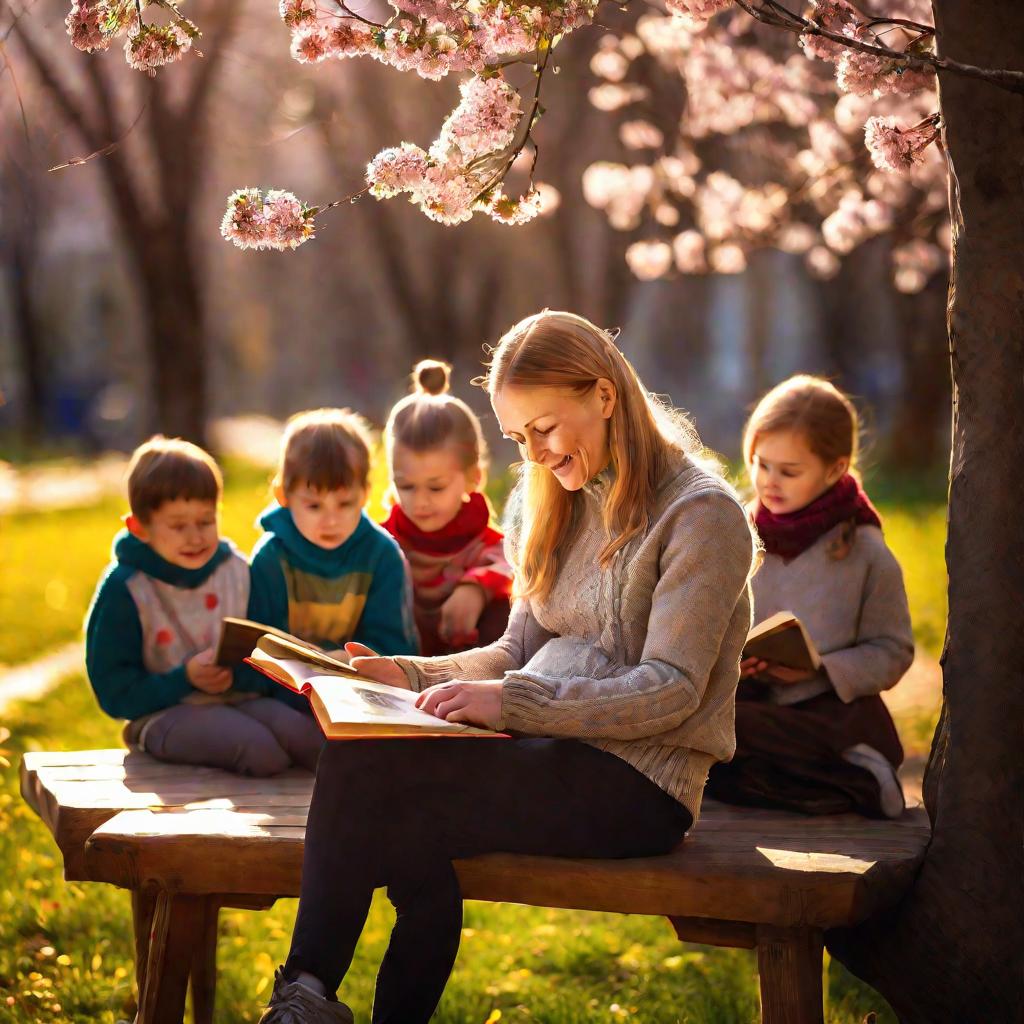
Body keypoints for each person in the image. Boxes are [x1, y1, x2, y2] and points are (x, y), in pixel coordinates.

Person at [258, 311, 758, 1024]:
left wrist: (512, 705)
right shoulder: (544, 498)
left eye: (545, 428)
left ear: (605, 396)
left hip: (639, 785)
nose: (538, 453)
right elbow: (512, 653)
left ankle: (303, 1001)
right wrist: (406, 675)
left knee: (386, 801)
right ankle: (309, 998)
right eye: (520, 438)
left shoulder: (699, 517)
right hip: (541, 749)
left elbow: (672, 691)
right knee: (384, 794)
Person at [706, 375, 914, 819]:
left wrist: (820, 667)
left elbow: (894, 650)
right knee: (709, 721)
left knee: (734, 734)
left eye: (789, 471)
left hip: (828, 712)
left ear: (835, 469)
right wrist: (734, 662)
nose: (769, 482)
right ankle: (830, 784)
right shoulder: (737, 536)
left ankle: (857, 771)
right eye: (762, 465)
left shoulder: (865, 552)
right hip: (750, 701)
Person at [84, 436, 321, 776]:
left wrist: (233, 677)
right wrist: (186, 679)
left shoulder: (237, 572)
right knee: (260, 751)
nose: (195, 537)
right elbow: (115, 693)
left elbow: (267, 655)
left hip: (241, 699)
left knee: (309, 739)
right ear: (139, 528)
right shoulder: (126, 589)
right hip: (163, 713)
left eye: (206, 522)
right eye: (178, 526)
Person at [246, 408, 419, 713]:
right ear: (283, 494)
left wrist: (342, 662)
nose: (331, 519)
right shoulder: (271, 558)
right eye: (314, 505)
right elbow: (259, 652)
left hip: (365, 695)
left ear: (364, 494)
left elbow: (395, 649)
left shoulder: (382, 555)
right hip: (288, 698)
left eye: (344, 503)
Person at [380, 358, 512, 657]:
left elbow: (519, 567)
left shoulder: (487, 547)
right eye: (406, 486)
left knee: (506, 610)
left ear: (473, 478)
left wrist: (476, 587)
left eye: (436, 487)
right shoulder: (381, 543)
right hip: (393, 666)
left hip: (464, 675)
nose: (420, 501)